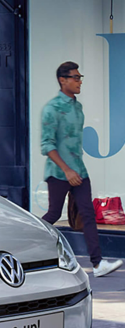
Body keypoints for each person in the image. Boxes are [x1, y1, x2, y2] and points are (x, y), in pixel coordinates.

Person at [41, 61, 122, 277]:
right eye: (75, 78)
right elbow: (47, 145)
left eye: (80, 77)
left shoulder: (78, 107)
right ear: (63, 80)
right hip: (59, 172)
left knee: (87, 214)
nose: (79, 82)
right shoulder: (52, 109)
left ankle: (97, 264)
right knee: (53, 214)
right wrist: (67, 170)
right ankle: (28, 245)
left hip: (79, 171)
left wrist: (75, 170)